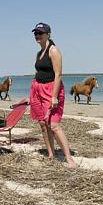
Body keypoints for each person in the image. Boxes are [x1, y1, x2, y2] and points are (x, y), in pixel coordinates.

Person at [29, 22, 77, 168]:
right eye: (35, 33)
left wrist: (54, 96)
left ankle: (69, 160)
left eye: (40, 33)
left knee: (54, 125)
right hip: (38, 89)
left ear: (48, 34)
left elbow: (58, 75)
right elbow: (38, 73)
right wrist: (31, 93)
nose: (37, 36)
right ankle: (51, 154)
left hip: (51, 90)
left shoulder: (53, 50)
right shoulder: (39, 53)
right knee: (43, 124)